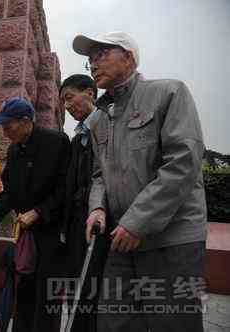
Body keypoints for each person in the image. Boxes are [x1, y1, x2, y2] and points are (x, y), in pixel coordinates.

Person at [72, 31, 207, 331]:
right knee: (113, 322)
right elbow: (99, 175)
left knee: (172, 321)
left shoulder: (169, 93)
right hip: (122, 238)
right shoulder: (97, 119)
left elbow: (183, 162)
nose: (93, 64)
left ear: (129, 56)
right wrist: (97, 208)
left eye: (102, 54)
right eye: (89, 61)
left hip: (171, 238)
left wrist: (138, 221)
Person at [0, 96, 70, 332]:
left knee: (47, 297)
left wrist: (39, 212)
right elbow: (10, 193)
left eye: (8, 125)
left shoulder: (56, 142)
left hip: (52, 234)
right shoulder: (15, 150)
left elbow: (66, 188)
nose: (4, 131)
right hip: (27, 234)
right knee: (23, 292)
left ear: (25, 121)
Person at [60, 74, 109, 332]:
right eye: (63, 102)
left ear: (90, 92)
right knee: (77, 285)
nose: (67, 106)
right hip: (77, 223)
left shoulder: (106, 125)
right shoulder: (77, 136)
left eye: (70, 97)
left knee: (92, 287)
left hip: (100, 220)